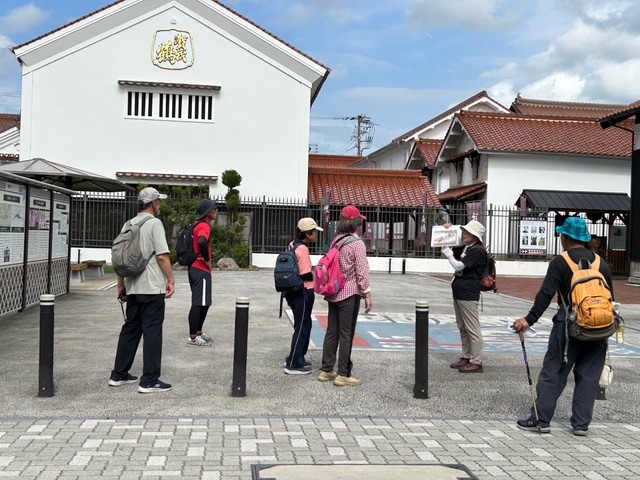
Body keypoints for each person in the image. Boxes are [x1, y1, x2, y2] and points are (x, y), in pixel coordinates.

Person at [512, 216, 613, 435]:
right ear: (584, 238)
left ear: (564, 237)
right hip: (598, 328)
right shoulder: (600, 263)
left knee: (554, 372)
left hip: (568, 327)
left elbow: (546, 294)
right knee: (588, 377)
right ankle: (581, 425)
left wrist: (528, 320)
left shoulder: (560, 261)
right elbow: (610, 297)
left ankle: (541, 420)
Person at [109, 187, 175, 393]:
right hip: (151, 285)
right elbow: (162, 256)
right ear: (153, 203)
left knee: (131, 328)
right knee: (152, 330)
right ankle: (149, 380)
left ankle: (119, 374)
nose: (159, 205)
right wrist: (171, 279)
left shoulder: (128, 224)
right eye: (159, 201)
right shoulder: (154, 224)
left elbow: (120, 257)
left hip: (132, 285)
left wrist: (121, 284)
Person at [318, 205, 372, 387]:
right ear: (355, 223)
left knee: (332, 331)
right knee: (346, 333)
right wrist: (367, 294)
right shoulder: (357, 243)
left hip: (333, 292)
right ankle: (343, 373)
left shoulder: (336, 241)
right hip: (349, 293)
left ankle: (326, 370)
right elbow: (362, 272)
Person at [442, 220, 488, 373]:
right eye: (464, 231)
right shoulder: (467, 247)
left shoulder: (477, 251)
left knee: (472, 328)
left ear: (475, 235)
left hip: (468, 294)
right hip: (460, 292)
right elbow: (448, 245)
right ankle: (466, 356)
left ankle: (476, 360)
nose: (464, 234)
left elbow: (458, 265)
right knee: (462, 326)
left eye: (468, 232)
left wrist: (449, 255)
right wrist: (448, 230)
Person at [283, 217, 323, 375]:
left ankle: (296, 356)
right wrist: (316, 272)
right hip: (303, 291)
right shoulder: (303, 249)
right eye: (314, 232)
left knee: (302, 325)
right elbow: (305, 274)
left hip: (291, 291)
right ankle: (293, 363)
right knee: (303, 326)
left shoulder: (292, 244)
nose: (316, 235)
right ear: (307, 234)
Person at [187, 199, 218, 346]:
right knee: (199, 303)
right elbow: (201, 242)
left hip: (194, 268)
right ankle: (193, 337)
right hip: (200, 268)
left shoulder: (196, 224)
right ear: (207, 212)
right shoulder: (204, 226)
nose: (216, 211)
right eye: (214, 208)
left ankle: (198, 332)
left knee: (204, 302)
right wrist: (207, 259)